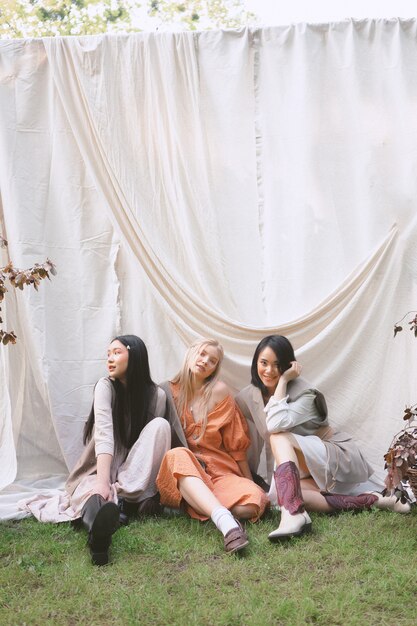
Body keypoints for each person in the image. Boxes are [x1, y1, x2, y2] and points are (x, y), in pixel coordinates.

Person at [235, 335, 410, 542]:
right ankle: (374, 501)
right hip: (301, 468)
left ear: (288, 365)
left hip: (331, 455)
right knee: (282, 496)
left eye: (277, 365)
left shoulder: (306, 394)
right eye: (263, 363)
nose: (269, 371)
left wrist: (283, 381)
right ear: (256, 362)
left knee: (278, 437)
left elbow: (274, 425)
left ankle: (292, 515)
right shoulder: (248, 396)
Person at [65, 335, 171, 565]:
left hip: (132, 471)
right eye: (108, 354)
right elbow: (103, 434)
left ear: (134, 356)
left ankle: (120, 502)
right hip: (102, 465)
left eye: (116, 352)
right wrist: (103, 482)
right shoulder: (105, 386)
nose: (110, 359)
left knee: (161, 426)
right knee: (93, 491)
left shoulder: (157, 395)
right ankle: (99, 534)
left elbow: (149, 447)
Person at [156, 338, 268, 554]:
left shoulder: (219, 391)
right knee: (177, 454)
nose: (205, 361)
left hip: (219, 472)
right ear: (191, 353)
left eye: (213, 360)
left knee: (255, 501)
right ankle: (227, 525)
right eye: (202, 354)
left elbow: (236, 443)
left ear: (215, 368)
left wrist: (249, 480)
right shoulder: (166, 391)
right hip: (183, 472)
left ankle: (195, 505)